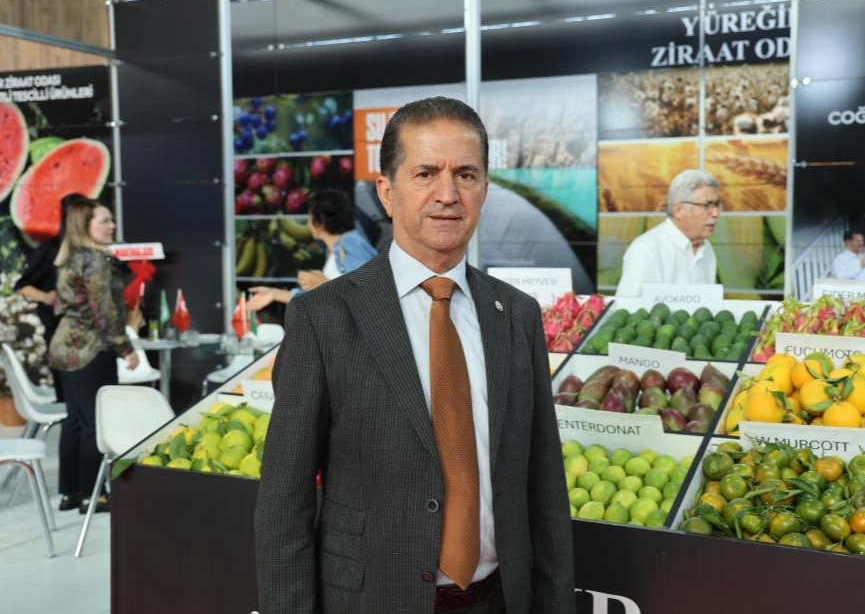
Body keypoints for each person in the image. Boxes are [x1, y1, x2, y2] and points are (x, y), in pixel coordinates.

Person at [255, 97, 574, 613]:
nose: (448, 194)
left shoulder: (516, 315)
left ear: (485, 189)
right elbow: (283, 502)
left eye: (466, 175)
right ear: (387, 192)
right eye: (426, 174)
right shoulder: (323, 318)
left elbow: (545, 488)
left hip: (500, 600)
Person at [48, 200, 138, 514]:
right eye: (104, 221)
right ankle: (94, 495)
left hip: (64, 347)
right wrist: (125, 348)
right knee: (94, 424)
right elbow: (105, 312)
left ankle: (71, 493)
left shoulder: (70, 256)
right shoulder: (96, 259)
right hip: (89, 349)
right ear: (84, 225)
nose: (112, 226)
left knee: (74, 420)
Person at [246, 188, 377, 311]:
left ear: (321, 219)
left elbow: (365, 297)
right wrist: (273, 294)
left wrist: (324, 285)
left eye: (310, 217)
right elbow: (316, 295)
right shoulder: (335, 249)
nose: (308, 224)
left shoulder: (351, 244)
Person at [14, 193, 87, 402]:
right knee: (71, 397)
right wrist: (46, 297)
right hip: (59, 331)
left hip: (91, 336)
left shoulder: (95, 252)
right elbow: (22, 285)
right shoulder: (51, 249)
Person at [615, 169, 720, 296]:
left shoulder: (707, 249)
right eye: (706, 205)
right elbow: (628, 306)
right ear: (678, 210)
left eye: (716, 205)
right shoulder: (647, 250)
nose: (715, 213)